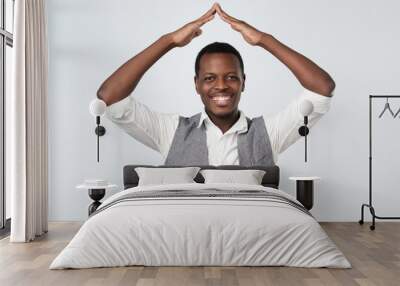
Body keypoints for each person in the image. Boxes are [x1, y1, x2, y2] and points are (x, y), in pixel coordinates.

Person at [97, 3, 335, 166]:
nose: (221, 86)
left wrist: (264, 40)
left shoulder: (269, 133)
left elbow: (322, 88)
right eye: (210, 78)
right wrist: (168, 41)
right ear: (197, 84)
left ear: (243, 83)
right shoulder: (169, 131)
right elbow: (110, 97)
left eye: (231, 77)